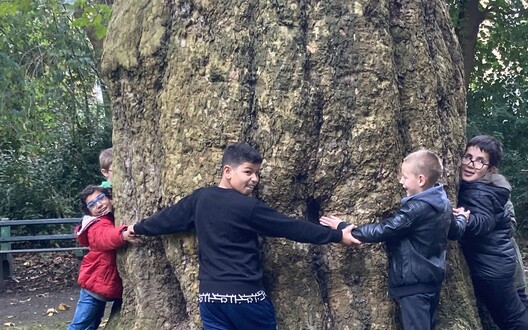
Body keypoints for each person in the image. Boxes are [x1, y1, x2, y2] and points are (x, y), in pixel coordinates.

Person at [123, 142, 360, 330]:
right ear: (227, 171)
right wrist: (337, 235)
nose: (254, 179)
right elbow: (290, 227)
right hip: (246, 299)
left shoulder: (200, 199)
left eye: (257, 173)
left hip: (211, 299)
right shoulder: (248, 207)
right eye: (248, 172)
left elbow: (166, 220)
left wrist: (137, 227)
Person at [320, 149, 468, 330]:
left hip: (413, 285)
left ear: (421, 180)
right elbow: (455, 231)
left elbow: (386, 229)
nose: (401, 181)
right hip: (431, 281)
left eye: (405, 177)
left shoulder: (416, 209)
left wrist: (347, 230)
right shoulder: (442, 203)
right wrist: (463, 218)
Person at [457, 135, 528, 329]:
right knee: (515, 313)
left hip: (497, 265)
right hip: (496, 262)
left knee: (513, 318)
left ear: (491, 170)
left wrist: (464, 218)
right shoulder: (480, 188)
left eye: (480, 161)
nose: (471, 164)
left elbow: (484, 222)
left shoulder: (483, 191)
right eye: (468, 157)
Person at [68, 184, 139, 330]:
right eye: (92, 204)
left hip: (104, 285)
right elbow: (105, 237)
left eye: (101, 198)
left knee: (91, 325)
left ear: (110, 197)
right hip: (93, 287)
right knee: (79, 325)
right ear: (89, 211)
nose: (99, 205)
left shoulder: (112, 219)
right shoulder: (96, 225)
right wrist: (122, 234)